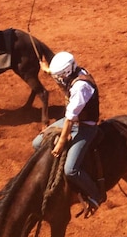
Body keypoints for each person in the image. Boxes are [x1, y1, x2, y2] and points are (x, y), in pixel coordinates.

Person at [32, 51, 106, 216]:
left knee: (70, 169)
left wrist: (61, 141)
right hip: (72, 121)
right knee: (37, 143)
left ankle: (96, 194)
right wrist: (47, 69)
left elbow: (70, 119)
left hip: (85, 127)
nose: (56, 80)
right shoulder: (74, 73)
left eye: (58, 77)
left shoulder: (81, 87)